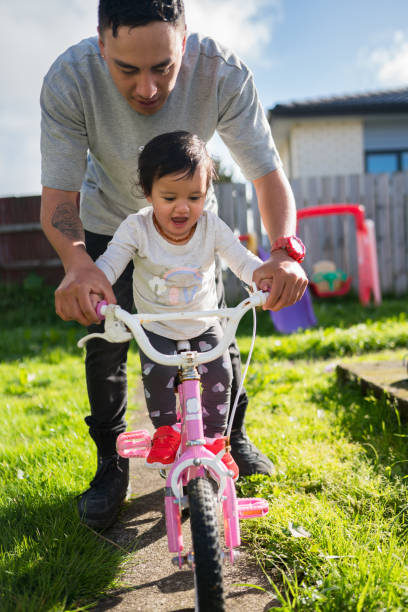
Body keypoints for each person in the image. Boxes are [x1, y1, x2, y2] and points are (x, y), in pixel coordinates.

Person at [40, 0, 308, 530]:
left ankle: (231, 437)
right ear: (101, 44)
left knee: (214, 325)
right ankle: (111, 462)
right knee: (109, 338)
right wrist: (77, 261)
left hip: (190, 221)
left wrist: (282, 253)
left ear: (185, 41)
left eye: (163, 68)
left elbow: (267, 175)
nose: (147, 89)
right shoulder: (69, 80)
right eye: (127, 69)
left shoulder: (222, 73)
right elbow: (58, 198)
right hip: (107, 222)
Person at [92, 131, 272, 482]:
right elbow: (111, 262)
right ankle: (166, 432)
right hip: (156, 326)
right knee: (157, 374)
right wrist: (96, 285)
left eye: (195, 196)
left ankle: (218, 440)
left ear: (207, 195)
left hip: (205, 323)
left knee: (222, 375)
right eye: (169, 196)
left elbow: (241, 259)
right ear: (148, 193)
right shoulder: (137, 227)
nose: (183, 207)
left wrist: (259, 277)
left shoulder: (211, 226)